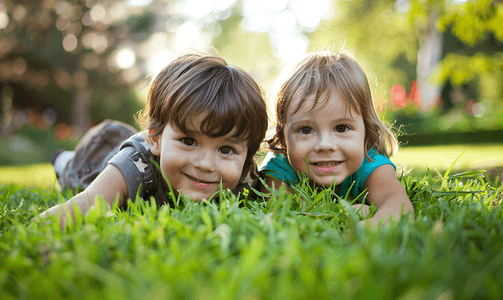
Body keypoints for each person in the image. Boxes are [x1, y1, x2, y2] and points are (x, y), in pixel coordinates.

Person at [40, 53, 268, 228]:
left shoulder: (246, 176)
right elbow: (82, 207)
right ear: (156, 138)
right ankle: (63, 161)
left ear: (248, 155)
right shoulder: (138, 162)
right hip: (99, 157)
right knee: (75, 176)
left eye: (226, 149)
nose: (206, 164)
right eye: (189, 141)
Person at [260, 50, 413, 226]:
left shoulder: (371, 164)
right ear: (282, 136)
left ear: (366, 129)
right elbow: (280, 208)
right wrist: (341, 212)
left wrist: (376, 224)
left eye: (341, 128)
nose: (325, 145)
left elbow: (397, 202)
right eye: (305, 130)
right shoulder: (279, 166)